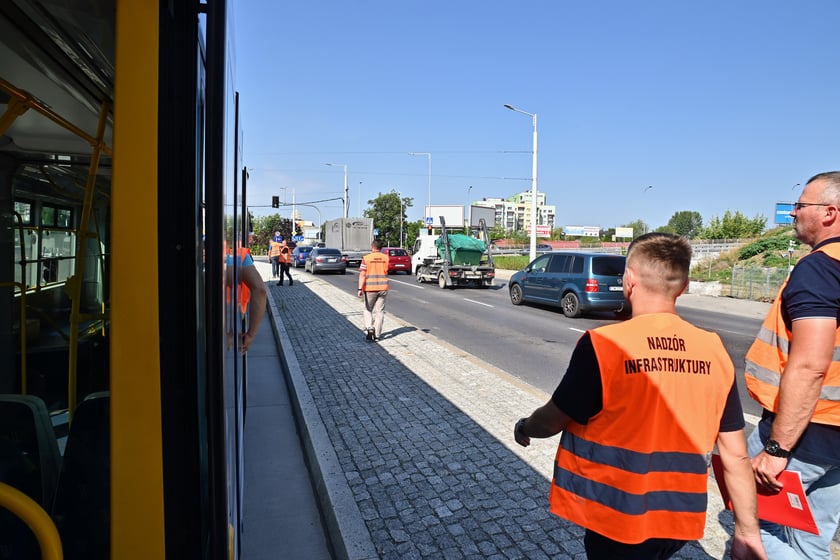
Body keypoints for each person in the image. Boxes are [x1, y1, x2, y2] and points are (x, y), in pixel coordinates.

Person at [514, 233, 765, 560]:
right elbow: (736, 455)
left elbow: (552, 420)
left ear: (628, 280)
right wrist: (748, 532)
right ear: (684, 286)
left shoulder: (605, 346)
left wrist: (525, 427)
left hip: (616, 515)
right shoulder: (713, 350)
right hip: (676, 517)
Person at [745, 171, 840, 558]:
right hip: (833, 436)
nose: (793, 213)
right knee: (812, 538)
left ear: (830, 212)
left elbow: (809, 366)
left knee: (752, 524)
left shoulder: (820, 268)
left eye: (801, 205)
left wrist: (777, 448)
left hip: (806, 432)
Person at [225, 244, 266, 353]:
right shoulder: (239, 255)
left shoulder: (198, 248)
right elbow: (260, 291)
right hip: (226, 332)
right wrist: (250, 334)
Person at [357, 239, 389, 341]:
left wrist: (359, 288)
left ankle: (370, 327)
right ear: (381, 248)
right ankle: (378, 334)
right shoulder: (386, 258)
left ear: (372, 247)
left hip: (370, 288)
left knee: (368, 309)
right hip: (383, 288)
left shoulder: (366, 258)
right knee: (380, 311)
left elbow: (362, 274)